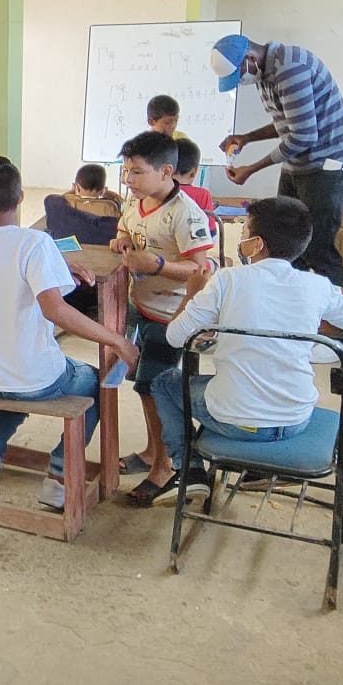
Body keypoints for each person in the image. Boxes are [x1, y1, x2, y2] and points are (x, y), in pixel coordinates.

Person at [145, 197, 343, 502]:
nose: (242, 237)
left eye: (245, 231)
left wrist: (192, 294)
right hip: (294, 419)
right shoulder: (317, 286)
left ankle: (190, 471)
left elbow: (174, 337)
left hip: (233, 420)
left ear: (257, 244)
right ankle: (255, 470)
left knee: (164, 383)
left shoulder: (227, 280)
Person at [0, 157, 138, 506]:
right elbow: (56, 310)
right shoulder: (35, 244)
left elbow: (8, 253)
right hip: (34, 378)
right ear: (21, 197)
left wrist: (56, 263)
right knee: (93, 381)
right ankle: (58, 476)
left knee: (17, 387)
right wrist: (117, 340)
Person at [210, 34, 343, 287]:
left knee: (317, 247)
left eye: (239, 75)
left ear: (250, 58)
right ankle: (293, 301)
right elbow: (288, 121)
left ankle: (334, 308)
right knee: (285, 243)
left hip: (330, 164)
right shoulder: (264, 74)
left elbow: (303, 135)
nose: (241, 81)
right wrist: (247, 138)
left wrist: (252, 168)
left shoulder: (291, 69)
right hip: (300, 163)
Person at [109, 131, 213, 506]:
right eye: (126, 171)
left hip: (171, 317)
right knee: (142, 387)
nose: (129, 180)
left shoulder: (185, 213)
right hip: (141, 307)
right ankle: (154, 451)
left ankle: (164, 466)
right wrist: (122, 240)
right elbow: (125, 227)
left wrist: (156, 265)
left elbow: (201, 269)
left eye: (137, 172)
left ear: (167, 171)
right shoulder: (136, 201)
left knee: (156, 390)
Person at [174, 137, 217, 236]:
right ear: (194, 172)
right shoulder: (203, 195)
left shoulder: (158, 193)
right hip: (196, 244)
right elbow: (211, 232)